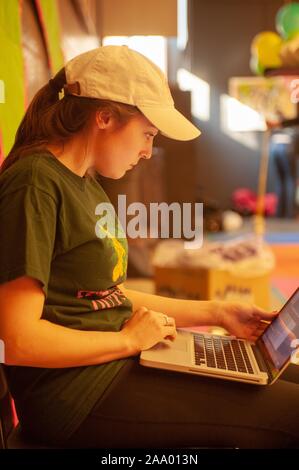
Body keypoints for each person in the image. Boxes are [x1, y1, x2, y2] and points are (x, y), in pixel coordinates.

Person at [0, 46, 298, 449]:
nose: (146, 150)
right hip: (76, 394)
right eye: (148, 134)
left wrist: (218, 312)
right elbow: (19, 340)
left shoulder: (84, 181)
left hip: (110, 361)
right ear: (104, 117)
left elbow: (106, 295)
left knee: (286, 377)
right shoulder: (35, 182)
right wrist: (128, 341)